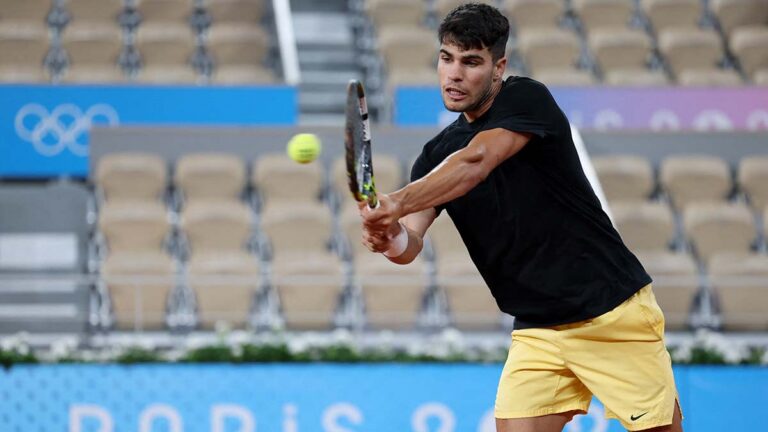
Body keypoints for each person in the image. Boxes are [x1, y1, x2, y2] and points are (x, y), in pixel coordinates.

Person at [358, 3, 683, 432]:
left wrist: (395, 202)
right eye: (446, 58)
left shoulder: (527, 98)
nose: (454, 74)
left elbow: (477, 161)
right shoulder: (435, 156)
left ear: (498, 67)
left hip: (610, 311)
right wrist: (390, 238)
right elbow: (409, 245)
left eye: (471, 62)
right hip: (537, 329)